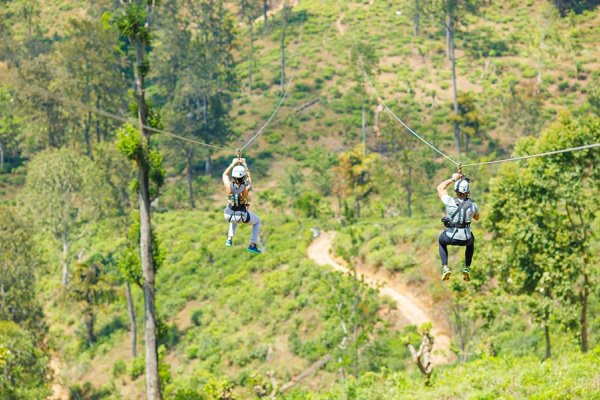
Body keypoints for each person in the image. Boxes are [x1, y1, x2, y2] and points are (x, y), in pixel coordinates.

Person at [437, 172, 480, 281]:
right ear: (467, 192)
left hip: (450, 237)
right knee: (471, 242)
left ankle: (445, 267)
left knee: (441, 241)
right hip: (465, 239)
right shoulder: (473, 205)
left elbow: (440, 188)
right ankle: (467, 268)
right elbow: (477, 218)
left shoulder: (449, 201)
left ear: (456, 191)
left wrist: (453, 179)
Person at [222, 157, 261, 254]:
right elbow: (249, 178)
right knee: (257, 222)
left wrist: (233, 163)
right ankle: (252, 245)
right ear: (243, 177)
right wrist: (245, 164)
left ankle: (229, 239)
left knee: (233, 216)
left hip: (228, 215)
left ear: (233, 176)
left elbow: (224, 174)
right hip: (240, 216)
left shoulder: (228, 186)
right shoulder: (245, 188)